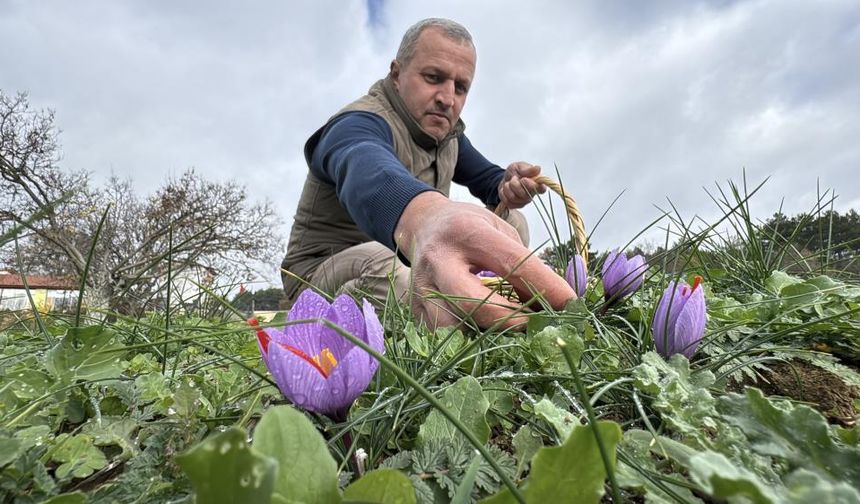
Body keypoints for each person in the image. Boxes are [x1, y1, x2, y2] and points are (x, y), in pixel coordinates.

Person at [281, 18, 574, 329]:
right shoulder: (357, 123)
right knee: (392, 270)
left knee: (512, 221)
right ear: (396, 74)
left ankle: (482, 306)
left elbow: (489, 181)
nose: (448, 98)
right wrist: (430, 217)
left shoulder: (449, 138)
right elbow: (365, 165)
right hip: (319, 272)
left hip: (408, 257)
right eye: (434, 77)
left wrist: (509, 184)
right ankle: (331, 318)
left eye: (461, 88)